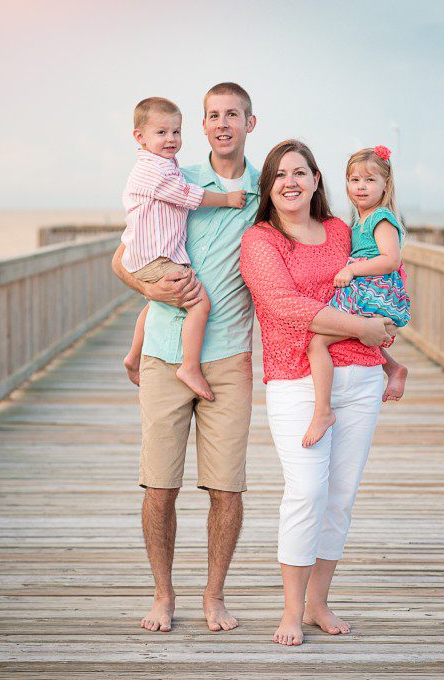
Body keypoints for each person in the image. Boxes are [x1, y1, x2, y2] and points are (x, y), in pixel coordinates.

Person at [239, 139, 403, 646]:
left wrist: (386, 348)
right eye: (279, 174)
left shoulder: (340, 231)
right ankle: (290, 609)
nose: (290, 182)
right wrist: (362, 326)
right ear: (268, 186)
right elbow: (283, 304)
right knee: (306, 492)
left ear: (315, 180)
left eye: (300, 172)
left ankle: (318, 603)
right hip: (295, 379)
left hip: (361, 377)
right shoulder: (260, 241)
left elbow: (379, 281)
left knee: (340, 498)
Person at [111, 82, 261, 634]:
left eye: (233, 115)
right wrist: (152, 292)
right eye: (212, 116)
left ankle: (214, 595)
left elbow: (310, 240)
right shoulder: (174, 175)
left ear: (250, 122)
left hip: (230, 357)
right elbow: (121, 260)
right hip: (162, 354)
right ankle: (163, 594)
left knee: (227, 487)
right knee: (159, 486)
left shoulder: (265, 192)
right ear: (202, 126)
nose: (222, 124)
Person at [120, 97, 246, 400]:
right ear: (140, 137)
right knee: (200, 303)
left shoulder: (165, 165)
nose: (171, 139)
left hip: (151, 256)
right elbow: (189, 195)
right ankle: (189, 367)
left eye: (176, 132)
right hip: (155, 258)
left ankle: (133, 354)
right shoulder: (153, 170)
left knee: (155, 304)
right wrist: (227, 199)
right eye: (161, 133)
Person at [303, 144, 410, 448]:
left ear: (385, 184)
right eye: (354, 180)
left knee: (317, 340)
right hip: (364, 290)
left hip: (371, 291)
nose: (361, 186)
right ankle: (393, 367)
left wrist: (352, 271)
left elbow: (391, 259)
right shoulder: (359, 220)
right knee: (358, 334)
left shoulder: (382, 219)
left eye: (370, 180)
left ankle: (322, 412)